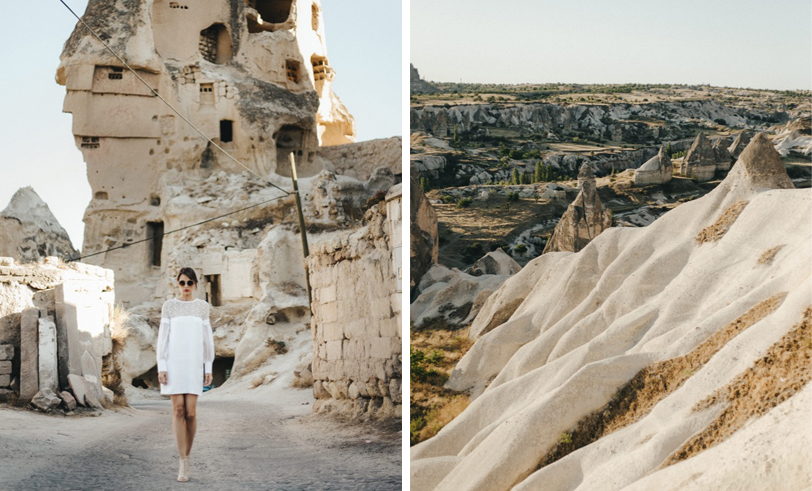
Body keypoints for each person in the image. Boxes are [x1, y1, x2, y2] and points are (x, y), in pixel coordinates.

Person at [156, 267, 215, 482]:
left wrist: (207, 367)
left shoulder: (202, 307)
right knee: (178, 410)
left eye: (190, 283)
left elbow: (207, 340)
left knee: (191, 412)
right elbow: (163, 338)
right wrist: (161, 365)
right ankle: (183, 462)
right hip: (173, 364)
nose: (186, 287)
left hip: (193, 365)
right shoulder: (169, 306)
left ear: (196, 284)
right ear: (177, 284)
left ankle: (187, 456)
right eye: (182, 283)